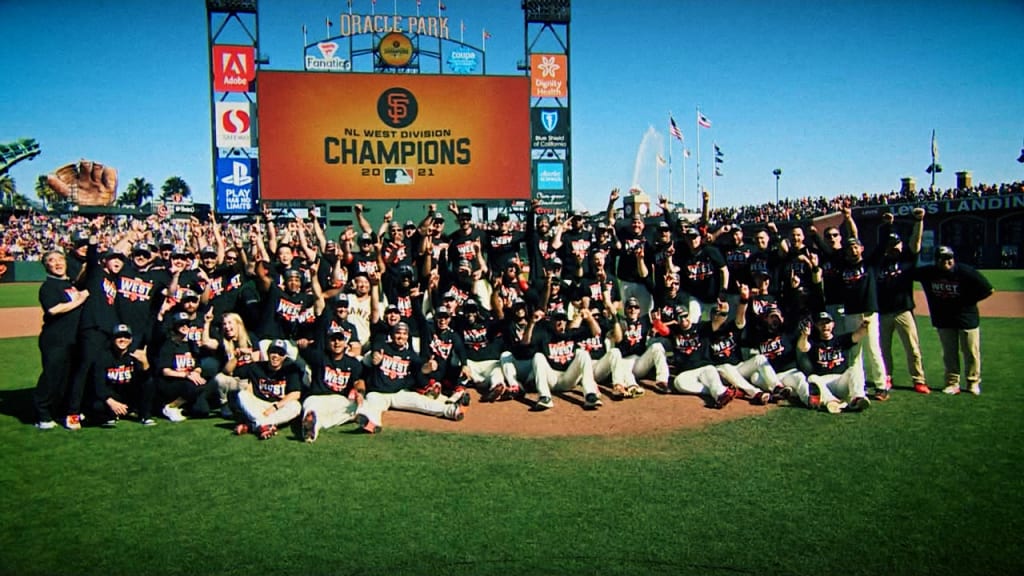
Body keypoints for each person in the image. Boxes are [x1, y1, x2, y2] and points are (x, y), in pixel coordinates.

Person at [355, 322, 466, 434]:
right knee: (372, 405)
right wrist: (375, 357)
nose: (401, 336)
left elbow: (420, 370)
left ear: (407, 336)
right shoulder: (382, 349)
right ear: (392, 335)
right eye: (398, 333)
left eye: (404, 334)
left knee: (421, 402)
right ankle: (372, 424)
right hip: (378, 392)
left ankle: (452, 410)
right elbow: (367, 361)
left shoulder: (410, 355)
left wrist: (428, 367)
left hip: (399, 393)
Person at [912, 246, 994, 395]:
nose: (947, 262)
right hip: (944, 319)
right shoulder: (928, 273)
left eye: (949, 258)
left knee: (971, 352)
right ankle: (952, 383)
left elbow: (988, 289)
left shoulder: (965, 272)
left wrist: (969, 300)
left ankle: (972, 382)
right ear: (936, 260)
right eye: (943, 259)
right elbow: (907, 273)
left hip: (966, 319)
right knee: (949, 353)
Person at [870, 208, 928, 394]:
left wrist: (919, 221)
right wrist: (888, 225)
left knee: (912, 348)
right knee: (883, 349)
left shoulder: (907, 260)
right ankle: (887, 377)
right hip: (883, 313)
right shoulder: (879, 262)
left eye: (897, 244)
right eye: (891, 244)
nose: (894, 247)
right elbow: (880, 249)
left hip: (903, 311)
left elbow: (916, 241)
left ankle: (918, 380)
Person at [34, 250, 89, 430]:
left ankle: (60, 411)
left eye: (60, 259)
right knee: (52, 377)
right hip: (55, 339)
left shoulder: (71, 284)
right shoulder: (48, 287)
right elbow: (54, 310)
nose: (57, 263)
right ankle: (42, 414)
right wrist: (80, 299)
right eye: (51, 260)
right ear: (46, 266)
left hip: (73, 339)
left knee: (68, 378)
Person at [796, 311, 872, 414]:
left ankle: (857, 399)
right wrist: (805, 336)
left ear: (833, 324)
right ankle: (831, 401)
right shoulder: (814, 342)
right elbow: (803, 347)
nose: (825, 326)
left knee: (854, 369)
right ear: (817, 326)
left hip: (840, 380)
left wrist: (864, 325)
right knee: (812, 378)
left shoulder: (840, 339)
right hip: (822, 382)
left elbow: (858, 335)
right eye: (821, 323)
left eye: (827, 323)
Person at [530, 308, 604, 411]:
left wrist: (590, 318)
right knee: (538, 356)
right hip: (552, 378)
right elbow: (526, 342)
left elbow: (597, 333)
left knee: (583, 354)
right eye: (557, 320)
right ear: (551, 321)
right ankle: (545, 397)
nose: (561, 323)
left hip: (568, 377)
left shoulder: (571, 334)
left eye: (563, 320)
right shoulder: (544, 334)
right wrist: (532, 323)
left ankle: (590, 395)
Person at [301, 327, 365, 443]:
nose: (336, 343)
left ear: (345, 342)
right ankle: (310, 431)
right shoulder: (319, 357)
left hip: (338, 399)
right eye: (333, 339)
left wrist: (359, 393)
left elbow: (358, 381)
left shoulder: (353, 362)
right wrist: (304, 344)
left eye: (340, 339)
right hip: (317, 397)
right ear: (327, 341)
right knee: (311, 409)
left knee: (357, 407)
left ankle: (316, 423)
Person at [232, 339, 304, 439]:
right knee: (241, 394)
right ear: (268, 353)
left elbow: (296, 394)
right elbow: (230, 372)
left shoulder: (290, 369)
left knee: (296, 406)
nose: (276, 356)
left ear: (284, 356)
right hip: (259, 405)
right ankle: (265, 425)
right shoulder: (256, 367)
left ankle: (254, 425)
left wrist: (275, 407)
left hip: (279, 407)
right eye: (273, 352)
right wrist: (236, 357)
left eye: (280, 353)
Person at [91, 324, 157, 427]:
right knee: (97, 406)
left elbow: (146, 379)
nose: (122, 340)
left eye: (126, 337)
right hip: (111, 397)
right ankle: (109, 416)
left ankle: (145, 416)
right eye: (119, 336)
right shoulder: (103, 357)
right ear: (113, 339)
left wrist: (145, 363)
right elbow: (98, 385)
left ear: (130, 340)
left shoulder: (134, 355)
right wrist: (111, 402)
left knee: (149, 383)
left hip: (130, 396)